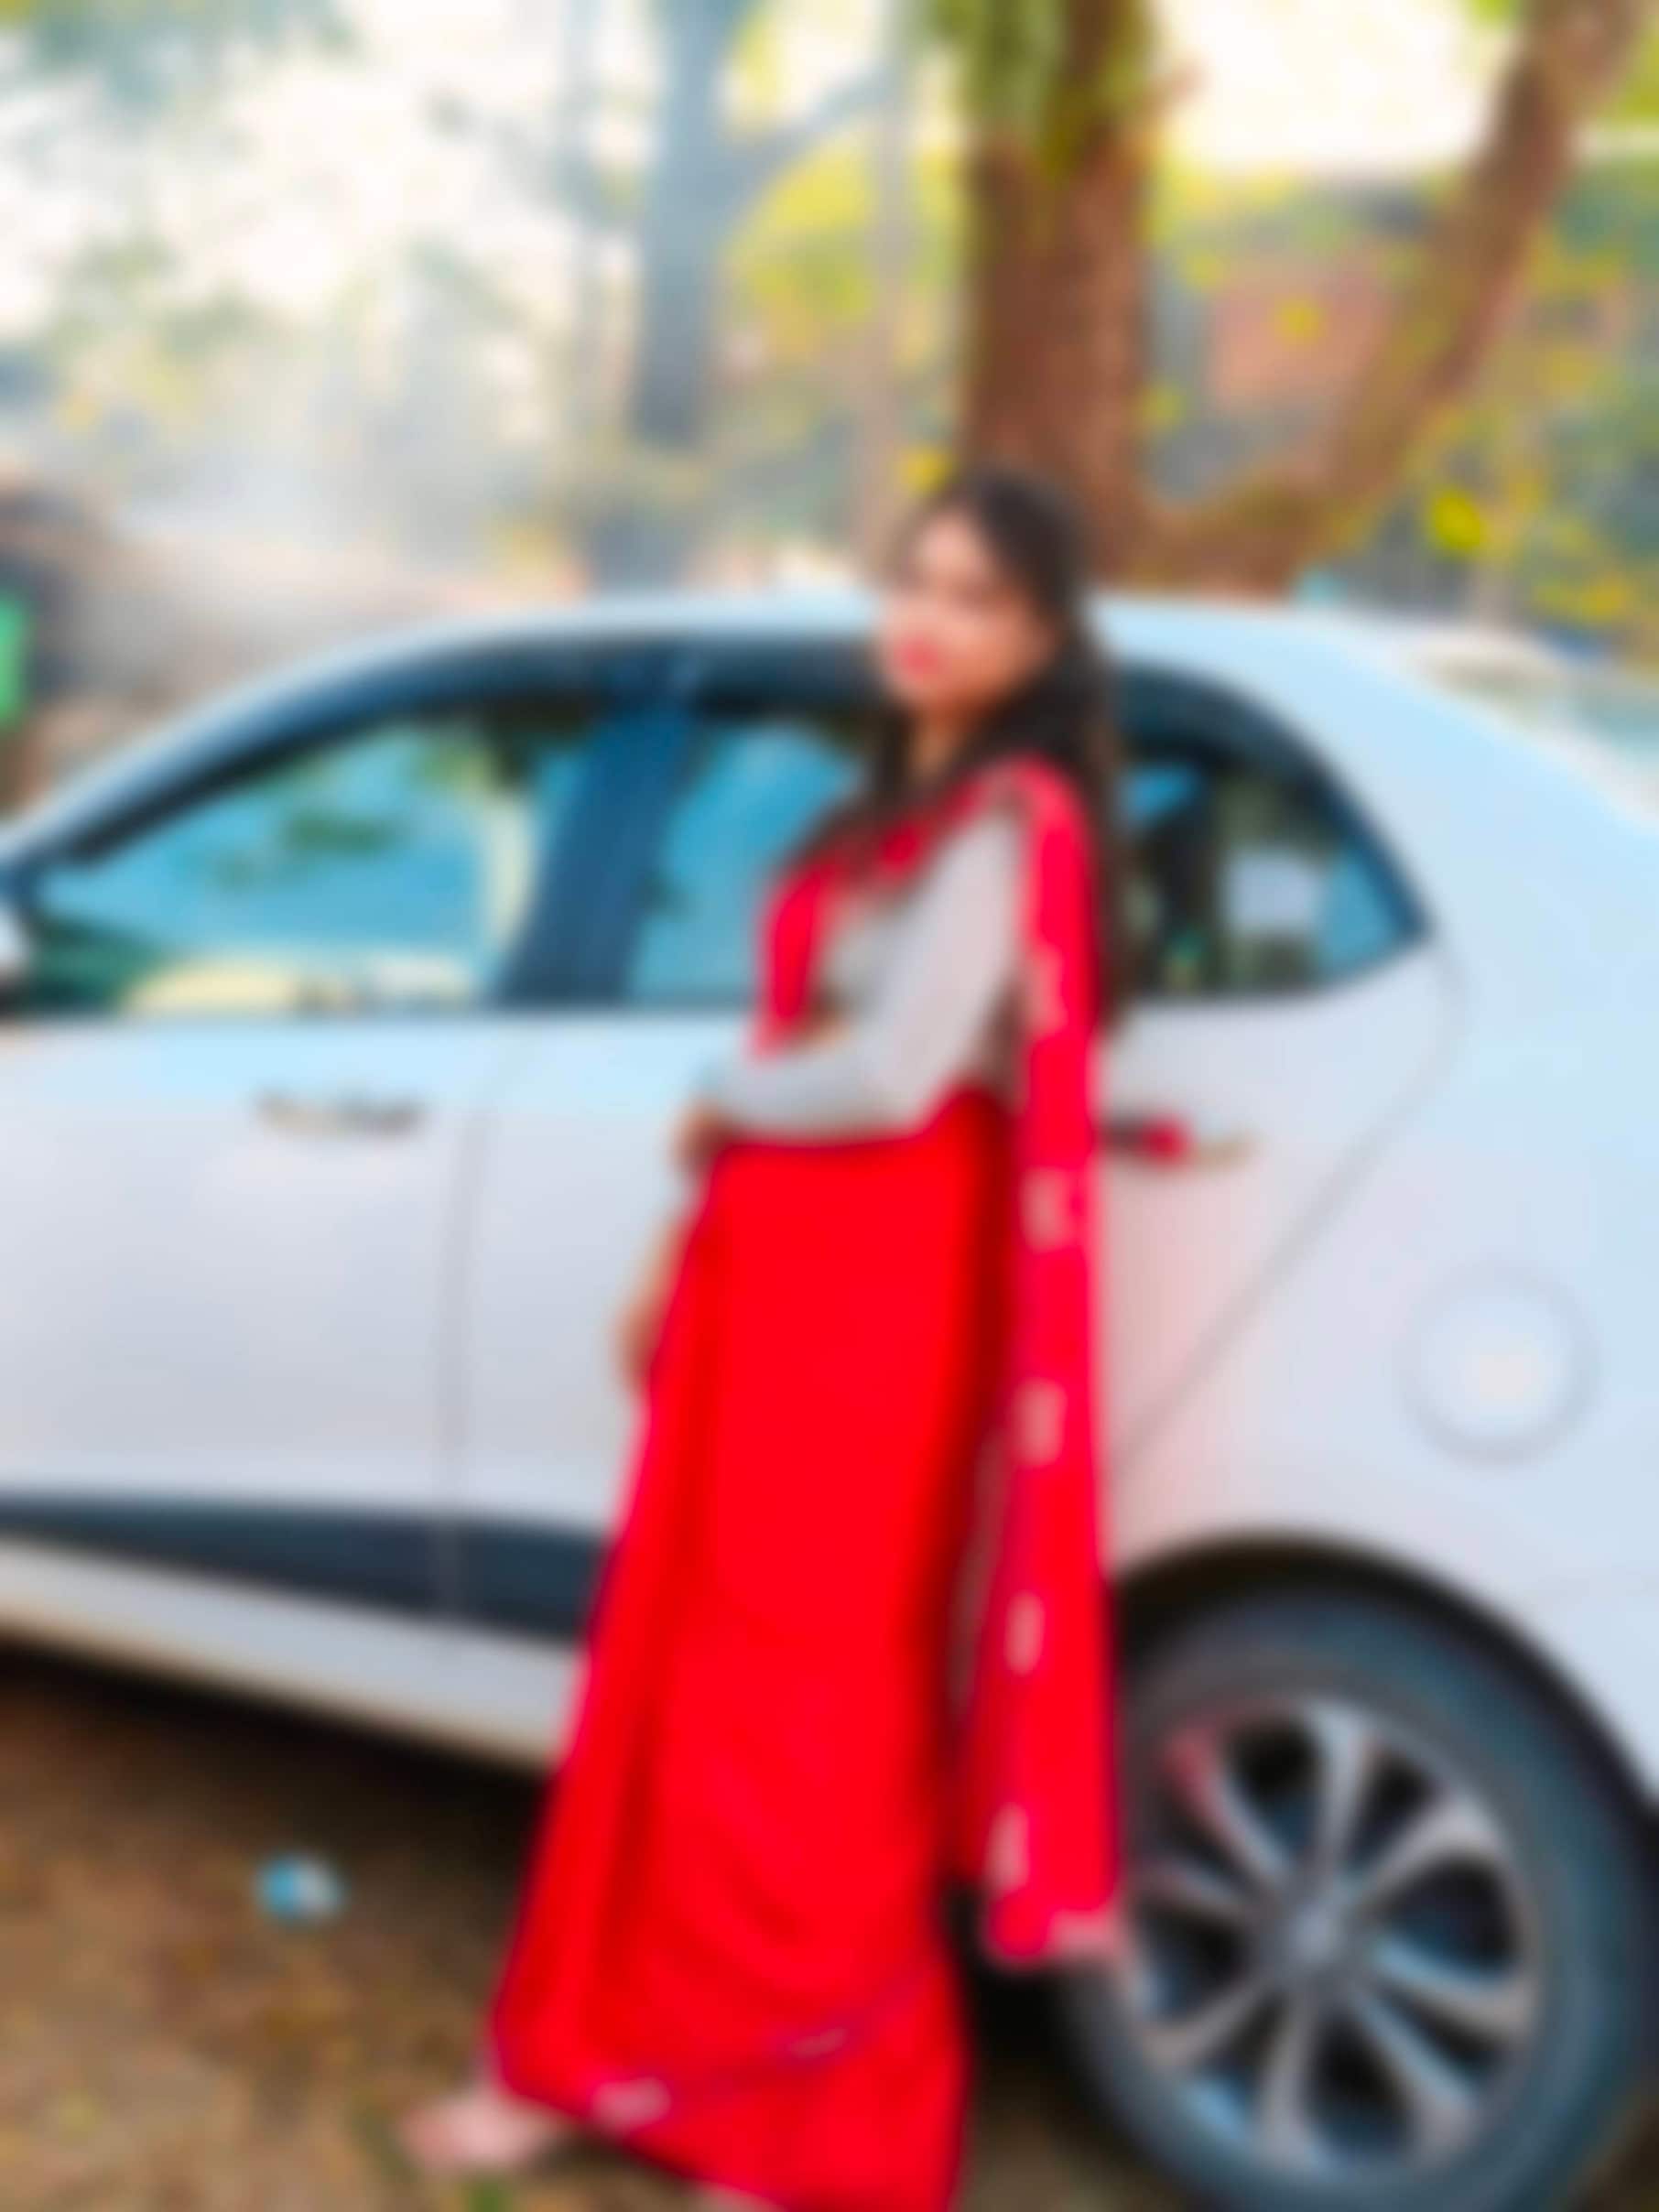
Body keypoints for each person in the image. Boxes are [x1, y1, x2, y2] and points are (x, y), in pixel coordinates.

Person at [402, 463, 1125, 2211]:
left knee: (814, 1693)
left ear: (1040, 639)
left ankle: (794, 2109)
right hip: (774, 1268)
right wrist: (680, 1241)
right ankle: (601, 2056)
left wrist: (713, 1099)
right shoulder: (888, 810)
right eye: (915, 580)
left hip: (881, 1294)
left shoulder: (1010, 820)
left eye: (975, 598)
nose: (927, 620)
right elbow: (808, 1041)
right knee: (683, 1663)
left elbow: (891, 1074)